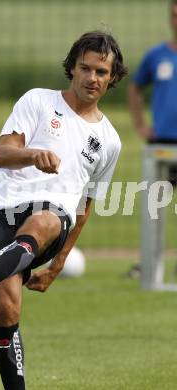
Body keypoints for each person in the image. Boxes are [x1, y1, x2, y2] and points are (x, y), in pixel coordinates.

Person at [0, 31, 127, 390]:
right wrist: (33, 154)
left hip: (51, 216)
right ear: (72, 69)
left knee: (45, 220)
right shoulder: (38, 101)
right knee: (6, 309)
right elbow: (2, 154)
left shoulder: (109, 141)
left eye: (101, 72)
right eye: (85, 68)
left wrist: (57, 265)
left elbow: (83, 207)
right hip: (0, 210)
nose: (92, 78)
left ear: (112, 78)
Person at [127, 0, 177, 278]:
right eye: (174, 15)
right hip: (161, 146)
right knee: (154, 208)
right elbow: (135, 88)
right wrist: (140, 124)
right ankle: (147, 263)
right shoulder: (156, 55)